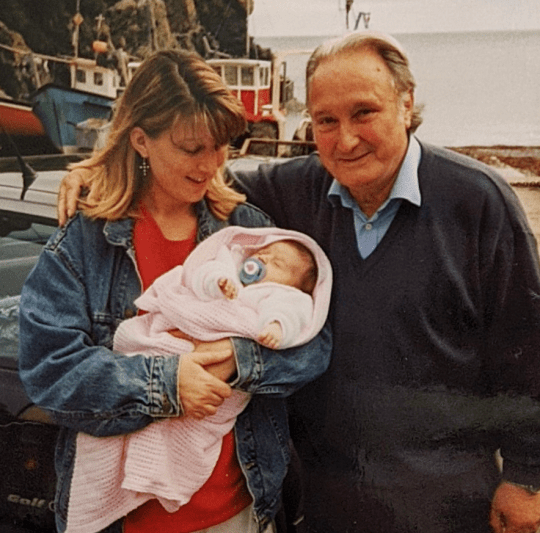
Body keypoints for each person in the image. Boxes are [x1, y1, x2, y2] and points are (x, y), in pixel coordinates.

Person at [56, 31, 540, 533]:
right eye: (326, 121)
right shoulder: (294, 192)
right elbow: (196, 175)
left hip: (445, 507)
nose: (345, 139)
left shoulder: (477, 201)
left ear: (406, 102)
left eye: (364, 113)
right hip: (324, 502)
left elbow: (526, 347)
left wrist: (528, 478)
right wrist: (103, 166)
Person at [18, 49, 331, 533]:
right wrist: (164, 384)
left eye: (221, 146)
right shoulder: (84, 242)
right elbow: (49, 370)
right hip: (123, 522)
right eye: (192, 149)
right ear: (141, 140)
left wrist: (238, 358)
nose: (211, 165)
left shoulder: (247, 229)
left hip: (240, 513)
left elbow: (313, 342)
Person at [67, 226, 332, 533]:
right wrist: (168, 378)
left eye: (277, 264)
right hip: (167, 345)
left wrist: (248, 349)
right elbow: (54, 370)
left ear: (298, 286)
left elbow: (303, 330)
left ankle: (157, 474)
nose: (262, 260)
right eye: (262, 253)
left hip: (232, 508)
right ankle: (140, 475)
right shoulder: (228, 260)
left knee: (193, 430)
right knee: (133, 345)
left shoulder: (282, 294)